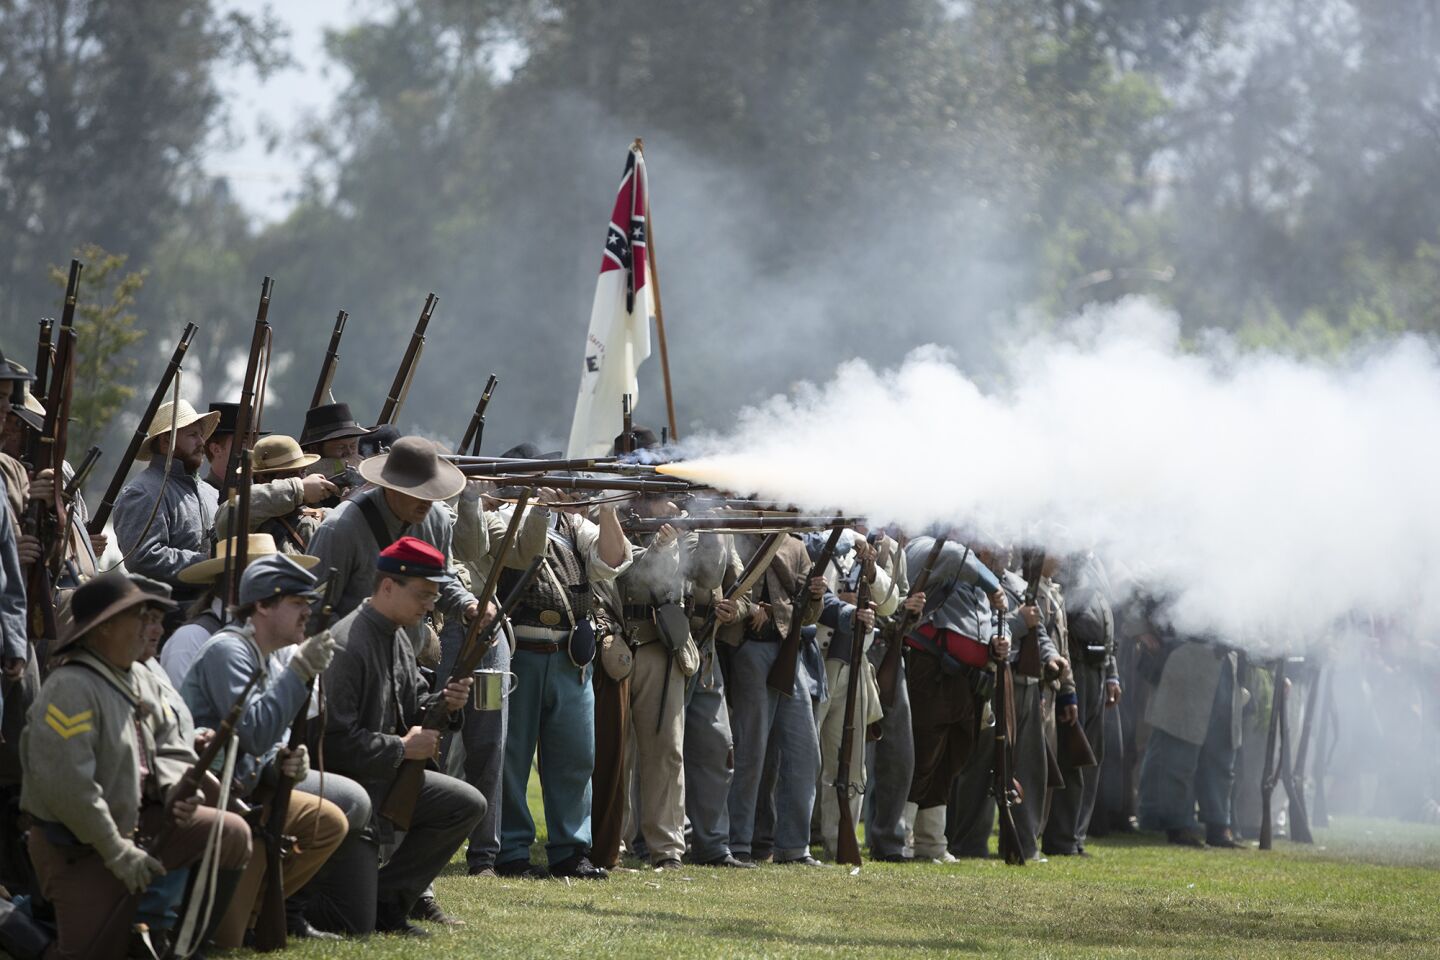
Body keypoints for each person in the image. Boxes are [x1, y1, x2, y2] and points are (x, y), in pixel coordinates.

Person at [20, 574, 252, 959]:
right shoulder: (70, 688)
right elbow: (70, 788)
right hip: (79, 845)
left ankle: (183, 948)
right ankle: (15, 923)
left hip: (139, 823)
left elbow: (170, 747)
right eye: (139, 617)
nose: (150, 626)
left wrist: (176, 788)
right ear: (104, 627)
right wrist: (117, 852)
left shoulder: (139, 676)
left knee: (231, 835)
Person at [179, 554, 348, 945]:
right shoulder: (230, 651)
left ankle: (254, 910)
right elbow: (252, 733)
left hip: (248, 796)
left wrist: (284, 762)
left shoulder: (270, 657)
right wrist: (299, 673)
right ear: (262, 605)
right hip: (211, 799)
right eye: (297, 602)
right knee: (225, 940)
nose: (308, 611)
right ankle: (233, 915)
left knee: (328, 822)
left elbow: (262, 746)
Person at [321, 537, 485, 936]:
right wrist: (402, 748)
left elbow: (412, 707)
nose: (430, 605)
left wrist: (446, 703)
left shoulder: (396, 634)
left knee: (466, 804)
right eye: (424, 594)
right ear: (389, 586)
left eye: (434, 596)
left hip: (380, 779)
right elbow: (332, 744)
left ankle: (389, 903)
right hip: (347, 790)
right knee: (351, 926)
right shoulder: (345, 645)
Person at [490, 457, 632, 880]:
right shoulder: (502, 517)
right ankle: (511, 850)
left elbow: (610, 561)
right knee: (512, 758)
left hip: (571, 659)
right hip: (520, 654)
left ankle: (571, 849)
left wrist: (605, 505)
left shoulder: (574, 527)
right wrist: (538, 509)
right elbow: (521, 554)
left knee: (575, 759)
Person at [900, 535, 1005, 862]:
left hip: (968, 680)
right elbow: (952, 554)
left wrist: (1001, 642)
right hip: (932, 671)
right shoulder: (929, 548)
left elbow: (989, 624)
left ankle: (932, 842)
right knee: (922, 756)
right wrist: (991, 585)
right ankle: (900, 837)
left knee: (950, 759)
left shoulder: (976, 576)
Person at [724, 532, 827, 866]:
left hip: (788, 652)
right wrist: (751, 608)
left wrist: (815, 596)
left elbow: (809, 614)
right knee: (750, 751)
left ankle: (795, 847)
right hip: (749, 647)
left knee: (805, 752)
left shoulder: (795, 546)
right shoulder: (737, 535)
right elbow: (724, 591)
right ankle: (738, 842)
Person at [159, 533, 319, 687]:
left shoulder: (278, 638)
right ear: (236, 582)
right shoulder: (192, 638)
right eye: (274, 581)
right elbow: (186, 711)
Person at [1044, 550, 1121, 857]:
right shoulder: (1068, 561)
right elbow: (1067, 615)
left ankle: (1076, 836)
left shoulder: (1093, 560)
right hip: (1075, 665)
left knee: (1091, 756)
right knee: (1073, 756)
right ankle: (1062, 838)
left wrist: (1113, 674)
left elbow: (1106, 618)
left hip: (1098, 668)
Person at [111, 399, 220, 616]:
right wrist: (206, 564)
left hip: (210, 612)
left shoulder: (210, 492)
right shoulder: (142, 492)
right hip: (166, 618)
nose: (202, 442)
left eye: (201, 434)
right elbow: (143, 559)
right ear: (166, 441)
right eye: (192, 435)